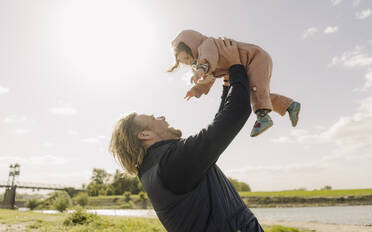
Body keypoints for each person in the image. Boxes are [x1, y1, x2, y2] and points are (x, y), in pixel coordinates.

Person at [109, 38, 264, 231]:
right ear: (145, 134)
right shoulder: (172, 162)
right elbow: (236, 113)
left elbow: (217, 129)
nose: (162, 117)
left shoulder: (157, 168)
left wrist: (226, 85)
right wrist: (235, 66)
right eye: (153, 117)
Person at [169, 29, 301, 137]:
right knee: (253, 95)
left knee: (256, 91)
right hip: (244, 65)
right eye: (183, 62)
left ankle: (263, 118)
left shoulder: (207, 45)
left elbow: (208, 58)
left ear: (192, 45)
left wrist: (200, 70)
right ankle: (289, 106)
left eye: (186, 57)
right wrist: (197, 89)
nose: (187, 62)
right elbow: (209, 79)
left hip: (254, 58)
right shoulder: (204, 58)